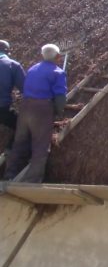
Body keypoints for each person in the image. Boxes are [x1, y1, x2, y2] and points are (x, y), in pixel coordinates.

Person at [4, 44, 67, 183]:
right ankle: (32, 181)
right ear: (58, 57)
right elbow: (60, 97)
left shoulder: (32, 69)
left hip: (25, 107)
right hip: (42, 109)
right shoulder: (58, 72)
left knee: (19, 143)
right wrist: (58, 111)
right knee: (41, 146)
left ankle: (9, 175)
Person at [0, 40, 25, 152]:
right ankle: (9, 150)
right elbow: (25, 88)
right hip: (1, 109)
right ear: (7, 52)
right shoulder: (12, 65)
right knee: (22, 125)